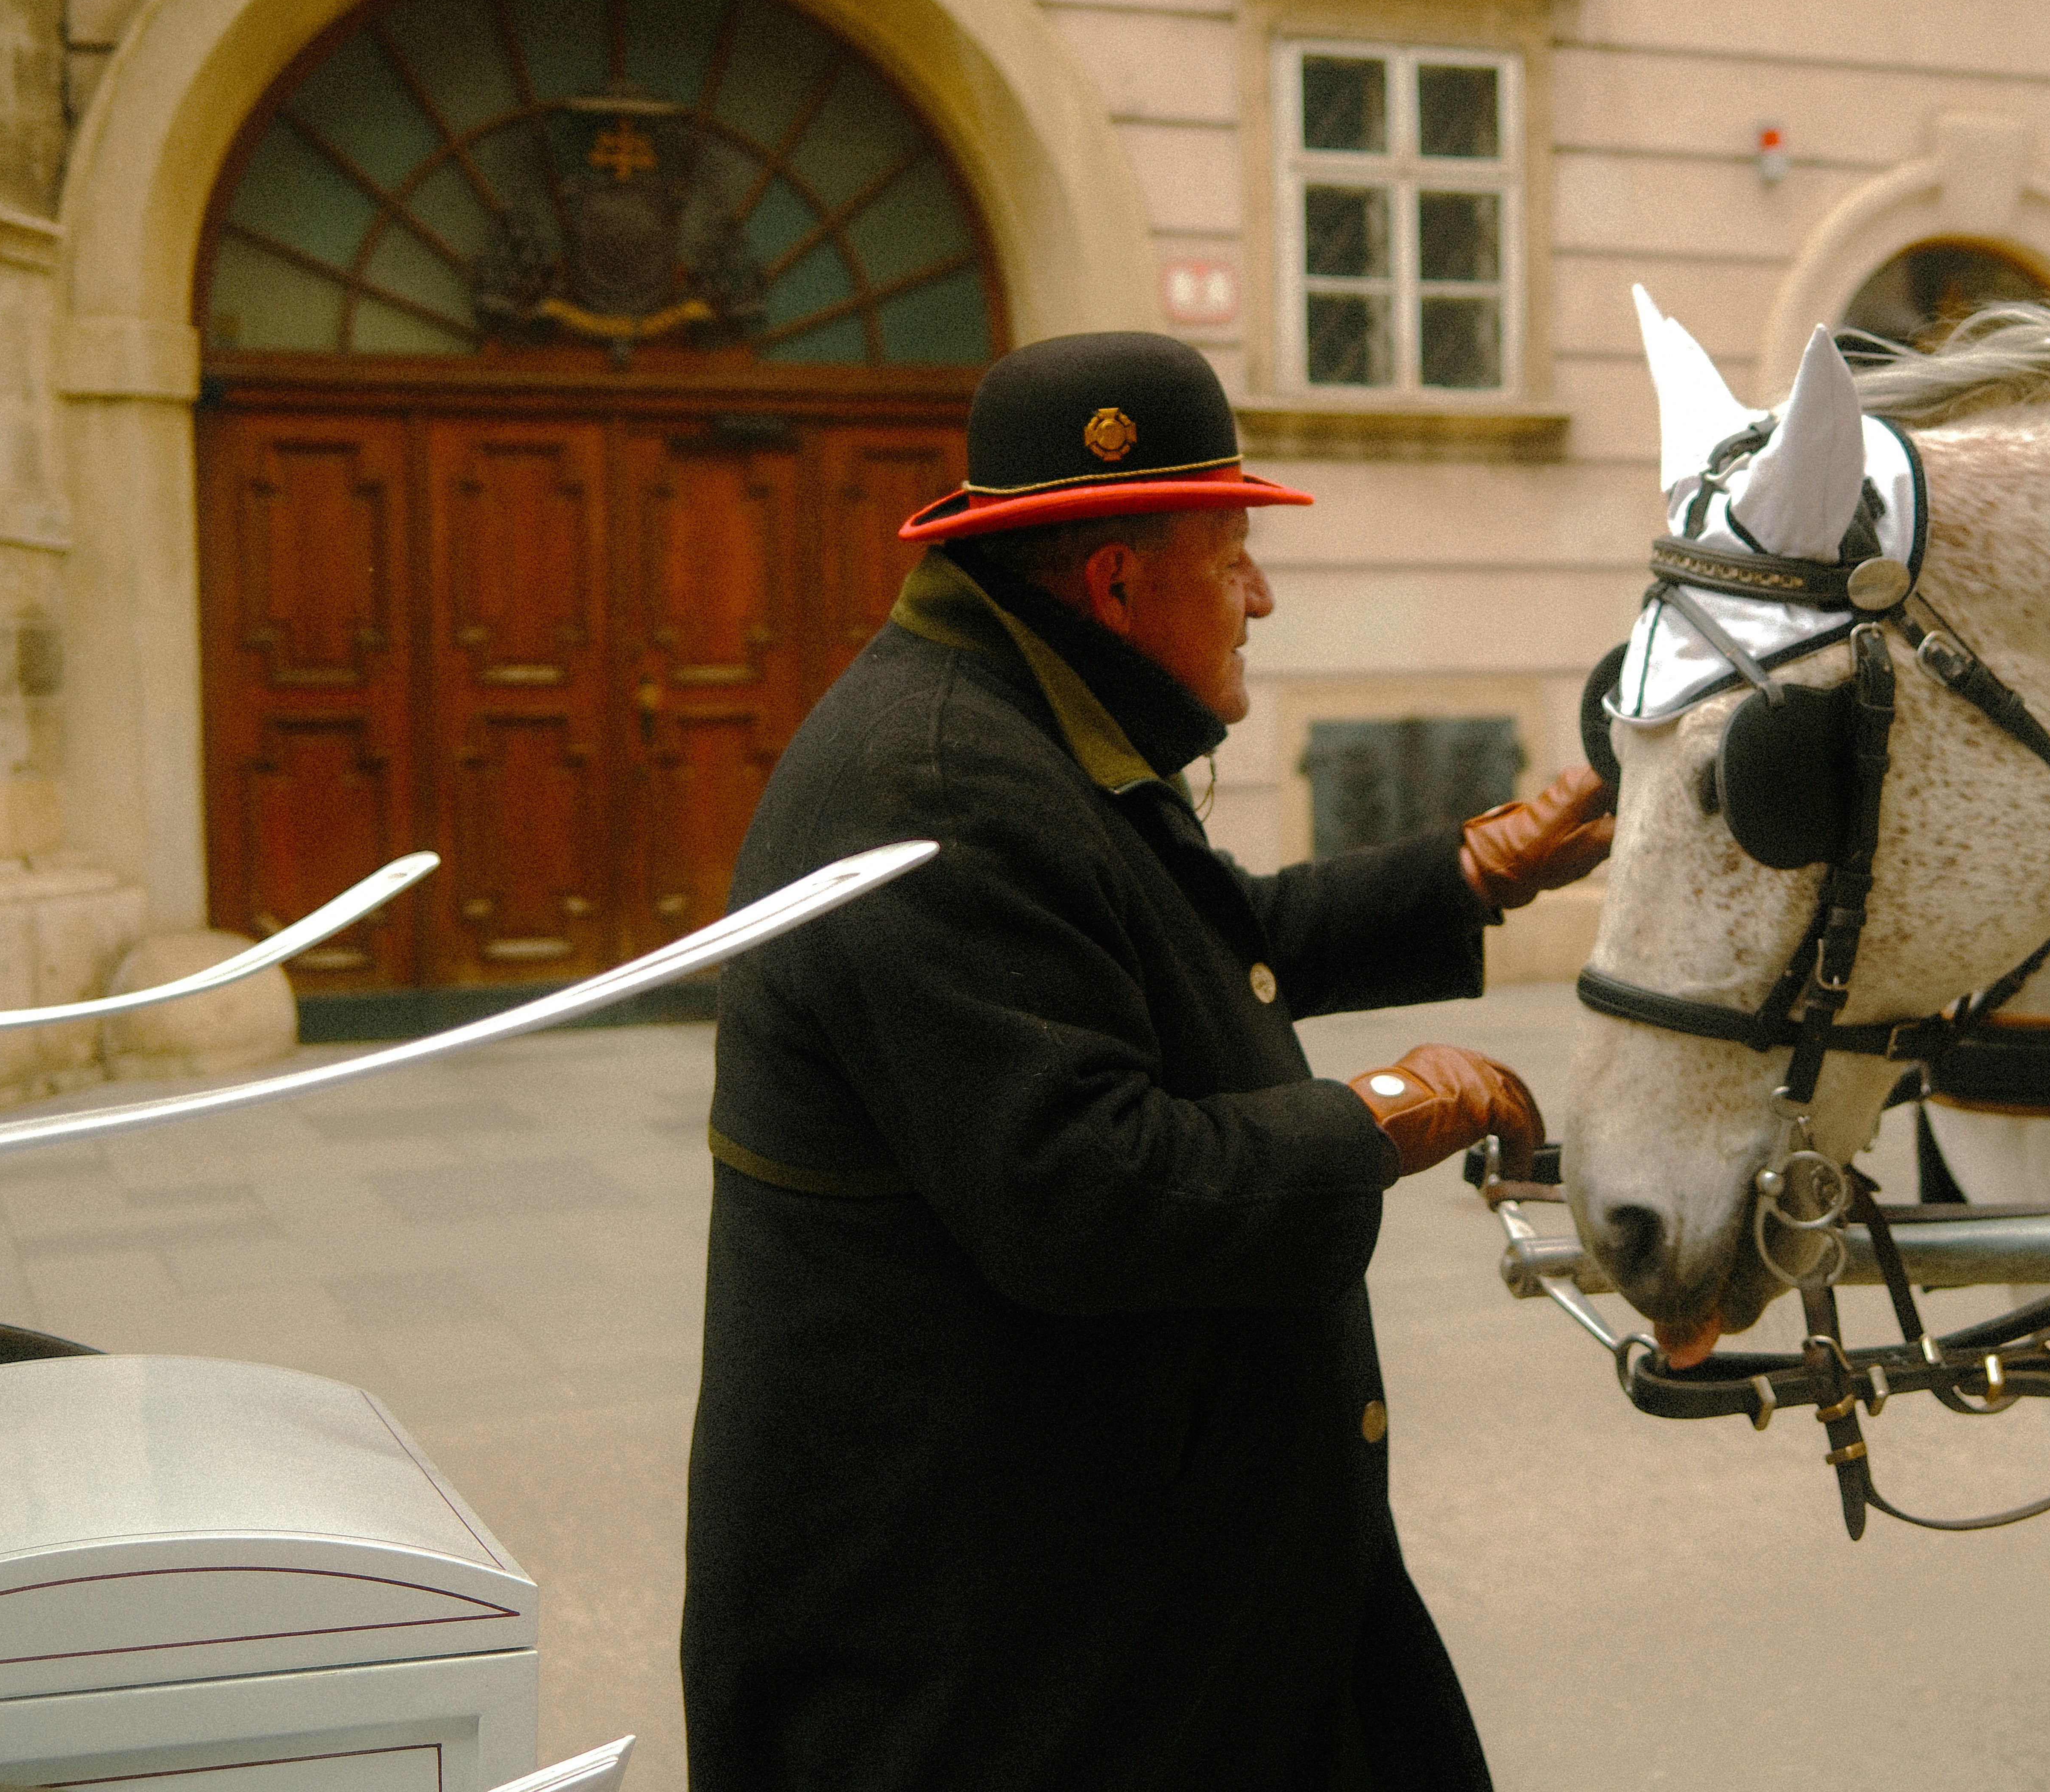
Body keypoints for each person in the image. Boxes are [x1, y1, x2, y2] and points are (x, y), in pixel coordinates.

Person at [681, 330, 1614, 1790]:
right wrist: (1384, 1112)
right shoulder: (936, 786)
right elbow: (1088, 1189)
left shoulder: (1015, 717)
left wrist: (1474, 872)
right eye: (1231, 552)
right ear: (1117, 581)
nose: (1262, 593)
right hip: (1004, 1672)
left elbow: (1197, 948)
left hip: (1138, 1597)